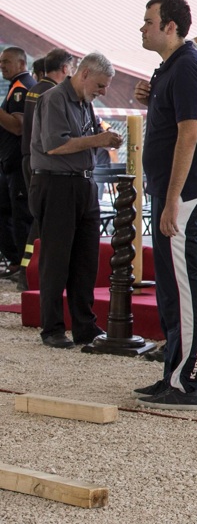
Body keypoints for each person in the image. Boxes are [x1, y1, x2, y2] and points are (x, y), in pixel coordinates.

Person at [132, 0, 197, 412]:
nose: (142, 27)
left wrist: (171, 200)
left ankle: (187, 381)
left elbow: (189, 134)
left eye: (148, 21)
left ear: (170, 26)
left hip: (183, 194)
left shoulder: (187, 66)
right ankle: (173, 371)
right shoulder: (172, 67)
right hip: (172, 191)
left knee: (185, 288)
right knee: (170, 286)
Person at [29, 53, 122, 348]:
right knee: (56, 260)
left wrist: (102, 138)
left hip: (83, 184)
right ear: (84, 74)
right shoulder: (54, 99)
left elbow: (85, 138)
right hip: (55, 184)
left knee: (86, 260)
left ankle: (85, 326)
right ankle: (52, 328)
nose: (102, 92)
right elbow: (55, 145)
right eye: (100, 85)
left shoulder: (86, 103)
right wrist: (98, 141)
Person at [16, 48, 77, 291]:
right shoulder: (52, 92)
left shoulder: (34, 89)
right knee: (42, 221)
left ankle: (28, 272)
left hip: (30, 158)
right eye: (72, 69)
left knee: (39, 219)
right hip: (42, 162)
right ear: (64, 68)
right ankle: (30, 274)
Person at [0, 47, 35, 282]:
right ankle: (16, 261)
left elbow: (18, 126)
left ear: (22, 63)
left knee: (21, 216)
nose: (2, 66)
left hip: (19, 164)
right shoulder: (15, 86)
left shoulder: (22, 87)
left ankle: (24, 267)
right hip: (10, 164)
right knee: (7, 212)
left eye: (6, 62)